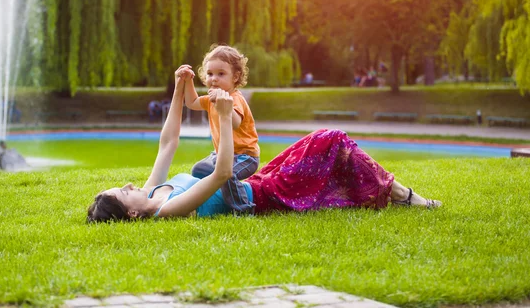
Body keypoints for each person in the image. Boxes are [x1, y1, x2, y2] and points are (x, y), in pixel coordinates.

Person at [87, 70, 442, 223]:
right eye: (123, 192)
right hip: (264, 195)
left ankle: (395, 194)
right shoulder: (167, 210)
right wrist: (224, 119)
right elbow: (222, 173)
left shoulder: (153, 191)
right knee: (331, 139)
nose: (129, 184)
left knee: (328, 142)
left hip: (256, 182)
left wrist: (180, 88)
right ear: (132, 213)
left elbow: (168, 143)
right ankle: (407, 197)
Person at [179, 44, 260, 213]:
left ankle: (244, 209)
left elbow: (236, 123)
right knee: (199, 170)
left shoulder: (234, 98)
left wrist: (223, 106)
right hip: (220, 154)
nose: (214, 79)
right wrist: (188, 81)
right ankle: (214, 196)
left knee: (227, 174)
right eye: (210, 74)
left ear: (235, 77)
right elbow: (191, 102)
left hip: (244, 156)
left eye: (221, 74)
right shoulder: (210, 99)